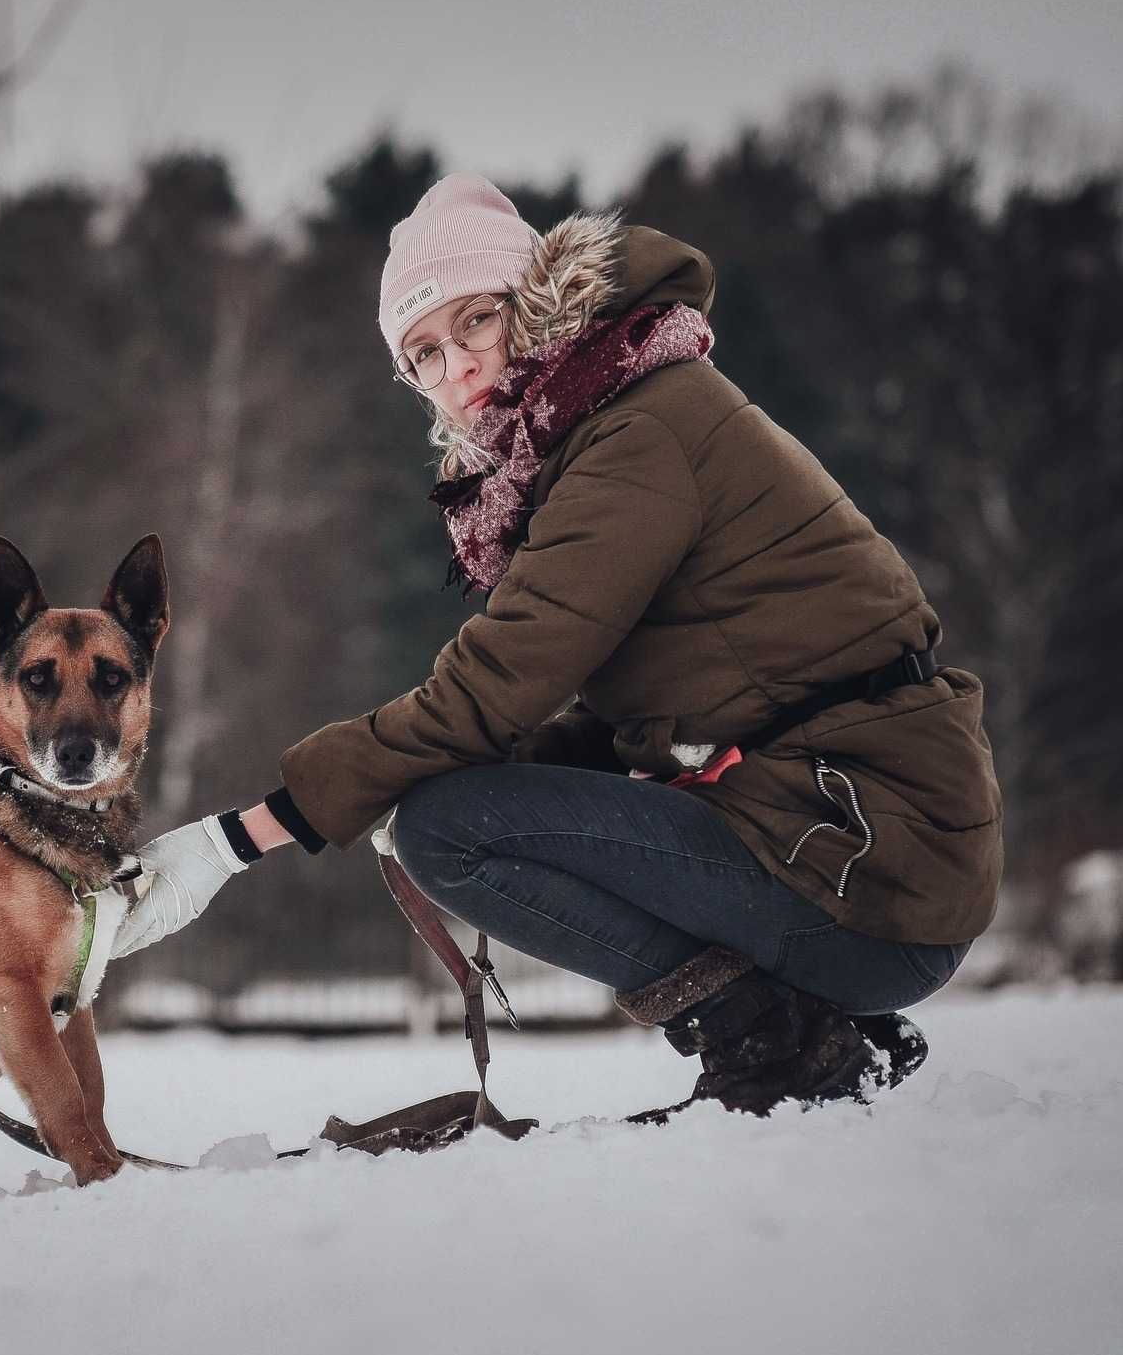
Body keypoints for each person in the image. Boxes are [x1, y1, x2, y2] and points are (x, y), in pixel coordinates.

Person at [110, 174, 1002, 1120]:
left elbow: (503, 678)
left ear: (536, 304)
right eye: (423, 353)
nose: (454, 366)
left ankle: (777, 1039)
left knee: (448, 832)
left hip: (868, 857)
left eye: (476, 322)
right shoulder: (599, 426)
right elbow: (609, 726)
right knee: (445, 807)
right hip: (852, 847)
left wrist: (240, 838)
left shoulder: (641, 429)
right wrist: (404, 774)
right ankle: (799, 1028)